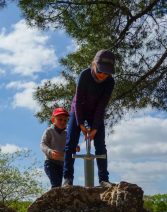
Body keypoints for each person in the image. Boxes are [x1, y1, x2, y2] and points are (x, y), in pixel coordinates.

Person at [63, 49, 115, 187]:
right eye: (100, 71)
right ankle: (67, 179)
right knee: (71, 143)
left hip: (95, 113)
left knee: (100, 145)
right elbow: (79, 100)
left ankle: (103, 179)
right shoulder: (84, 75)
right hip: (78, 109)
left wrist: (95, 127)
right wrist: (80, 124)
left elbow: (102, 105)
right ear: (94, 65)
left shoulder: (110, 82)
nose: (103, 75)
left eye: (107, 72)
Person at [40, 107, 70, 188]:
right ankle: (53, 199)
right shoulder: (49, 131)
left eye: (65, 120)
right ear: (53, 120)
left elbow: (70, 145)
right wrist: (50, 151)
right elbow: (43, 144)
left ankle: (57, 199)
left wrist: (75, 147)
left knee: (59, 185)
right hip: (50, 162)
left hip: (62, 163)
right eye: (60, 119)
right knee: (56, 183)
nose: (63, 122)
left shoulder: (67, 133)